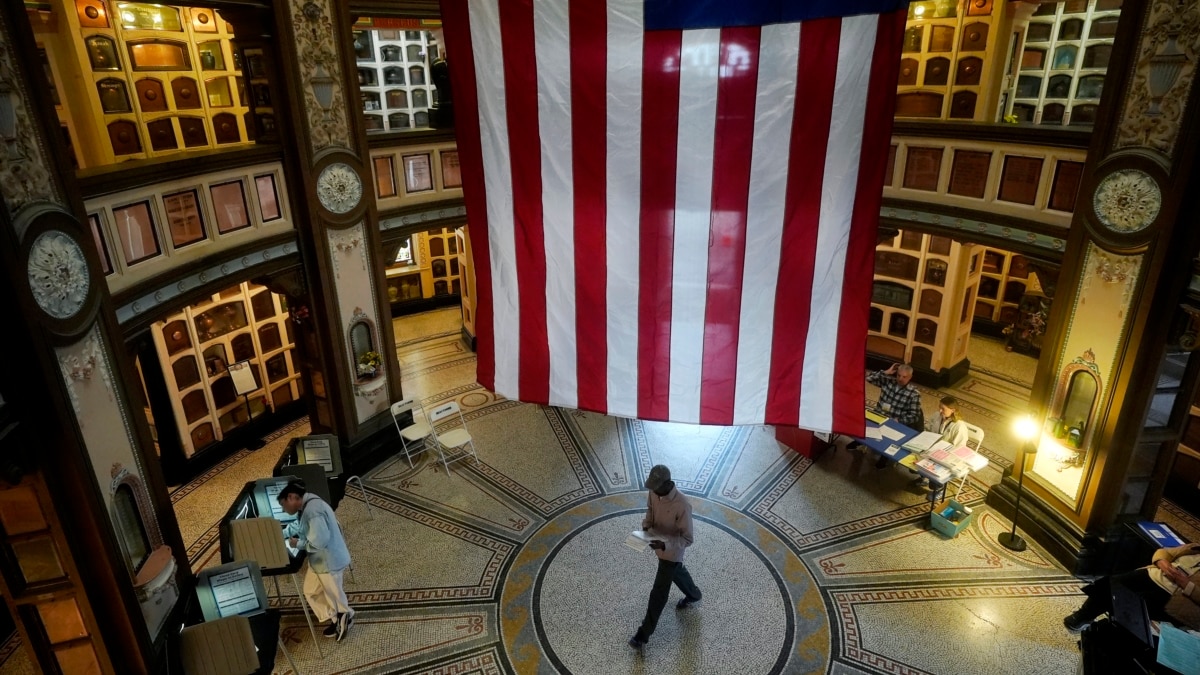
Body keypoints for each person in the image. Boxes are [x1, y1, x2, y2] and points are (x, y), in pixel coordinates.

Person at [629, 465, 702, 650]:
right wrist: (646, 528)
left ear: (669, 484)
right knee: (677, 571)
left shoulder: (682, 505)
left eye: (657, 488)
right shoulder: (654, 493)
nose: (654, 492)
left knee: (659, 593)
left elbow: (687, 538)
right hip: (659, 547)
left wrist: (664, 544)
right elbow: (650, 511)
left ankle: (642, 635)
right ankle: (694, 595)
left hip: (671, 552)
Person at [277, 480, 355, 642]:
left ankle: (343, 615)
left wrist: (296, 544)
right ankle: (337, 617)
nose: (283, 509)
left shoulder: (312, 511)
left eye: (283, 505)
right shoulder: (309, 504)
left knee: (334, 594)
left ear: (291, 497)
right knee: (311, 591)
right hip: (320, 561)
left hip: (328, 561)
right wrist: (281, 534)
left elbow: (320, 541)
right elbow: (301, 526)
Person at [1063, 542, 1200, 633]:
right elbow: (1164, 551)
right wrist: (1162, 562)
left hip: (1176, 596)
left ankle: (1101, 630)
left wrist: (1185, 584)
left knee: (1128, 603)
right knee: (1112, 583)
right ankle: (1084, 616)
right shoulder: (1195, 548)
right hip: (1154, 574)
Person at [850, 363, 924, 468]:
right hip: (879, 415)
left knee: (889, 438)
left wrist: (899, 420)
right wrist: (886, 372)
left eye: (904, 377)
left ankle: (884, 458)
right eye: (898, 375)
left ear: (910, 377)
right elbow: (869, 378)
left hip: (894, 422)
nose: (900, 379)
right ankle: (860, 442)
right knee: (864, 426)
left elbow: (914, 415)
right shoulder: (888, 381)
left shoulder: (914, 394)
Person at [912, 397, 970, 488]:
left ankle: (939, 488)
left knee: (934, 486)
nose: (939, 410)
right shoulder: (936, 415)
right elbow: (928, 429)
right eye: (939, 407)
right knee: (912, 465)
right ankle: (925, 477)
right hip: (931, 450)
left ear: (953, 410)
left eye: (943, 409)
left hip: (945, 457)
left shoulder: (959, 427)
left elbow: (959, 449)